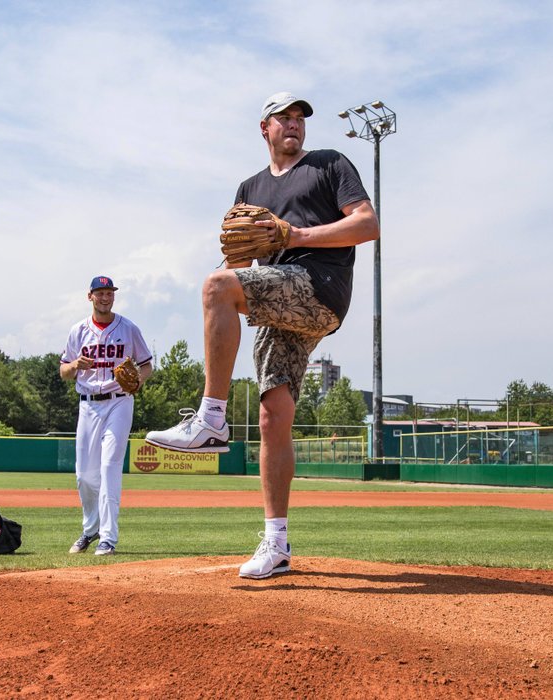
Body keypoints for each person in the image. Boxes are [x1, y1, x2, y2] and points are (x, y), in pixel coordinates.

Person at [146, 92, 379, 579]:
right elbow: (237, 269)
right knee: (273, 416)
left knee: (215, 287)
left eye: (300, 119)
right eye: (284, 118)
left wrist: (293, 236)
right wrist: (228, 271)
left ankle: (211, 418)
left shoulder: (329, 165)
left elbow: (367, 224)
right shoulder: (249, 188)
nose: (294, 125)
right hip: (276, 304)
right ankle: (276, 544)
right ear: (264, 128)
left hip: (319, 288)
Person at [61, 276, 153, 556]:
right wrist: (76, 363)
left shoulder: (127, 328)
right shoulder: (78, 330)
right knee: (85, 476)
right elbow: (64, 372)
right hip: (88, 403)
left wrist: (138, 380)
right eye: (100, 293)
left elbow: (146, 365)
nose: (105, 297)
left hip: (119, 402)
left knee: (109, 467)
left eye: (109, 292)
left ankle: (108, 539)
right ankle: (91, 529)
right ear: (90, 296)